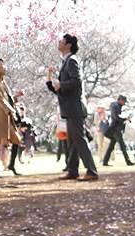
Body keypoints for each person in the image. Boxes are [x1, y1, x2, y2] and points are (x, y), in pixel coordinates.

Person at [46, 34, 98, 181]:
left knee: (79, 139)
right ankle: (73, 170)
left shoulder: (72, 60)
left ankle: (92, 171)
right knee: (74, 141)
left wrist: (61, 84)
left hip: (75, 107)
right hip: (70, 108)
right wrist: (51, 80)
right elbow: (61, 89)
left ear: (68, 45)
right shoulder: (66, 61)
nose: (59, 42)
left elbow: (77, 81)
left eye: (62, 40)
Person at [0, 58, 22, 178]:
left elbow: (8, 99)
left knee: (17, 140)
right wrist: (11, 110)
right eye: (2, 65)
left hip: (6, 116)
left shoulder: (3, 82)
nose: (4, 67)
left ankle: (11, 165)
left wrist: (16, 97)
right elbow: (0, 99)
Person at [102, 95, 135, 166]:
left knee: (111, 146)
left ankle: (105, 161)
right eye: (124, 101)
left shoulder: (115, 105)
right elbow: (116, 118)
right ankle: (128, 161)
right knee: (122, 145)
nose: (124, 103)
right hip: (115, 129)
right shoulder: (115, 106)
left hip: (115, 128)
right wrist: (125, 119)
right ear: (120, 100)